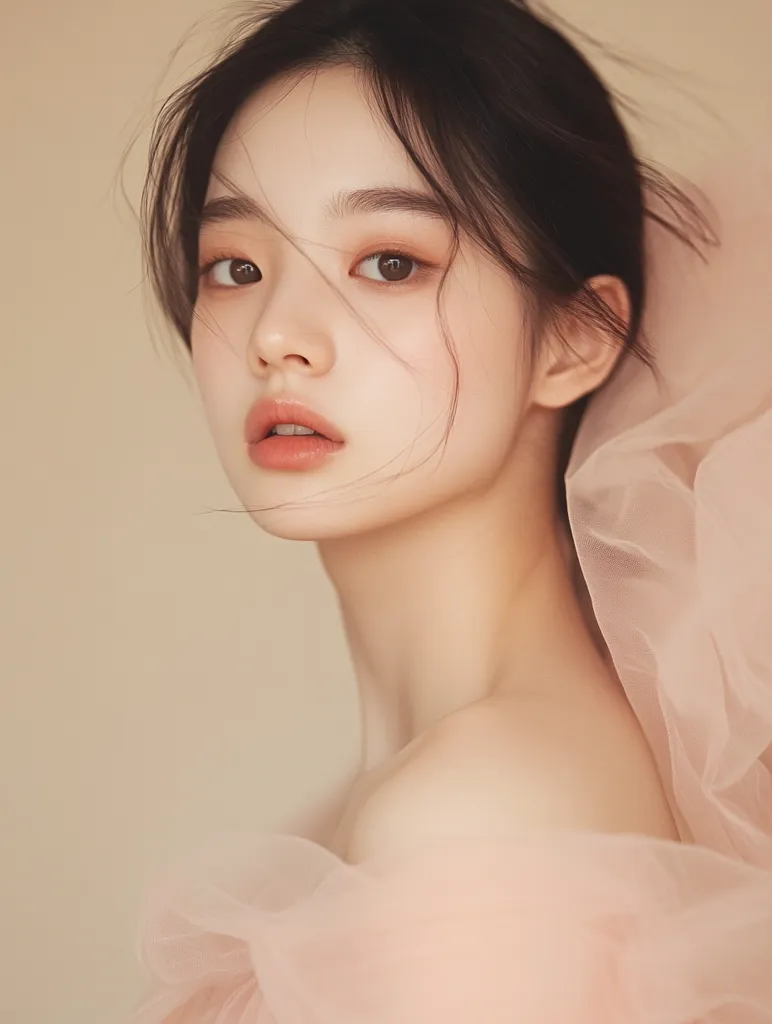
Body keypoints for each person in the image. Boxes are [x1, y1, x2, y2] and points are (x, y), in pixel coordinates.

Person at [130, 0, 772, 1019]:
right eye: (236, 267)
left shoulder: (477, 815)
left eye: (389, 262)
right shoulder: (412, 795)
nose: (277, 335)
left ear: (573, 338)